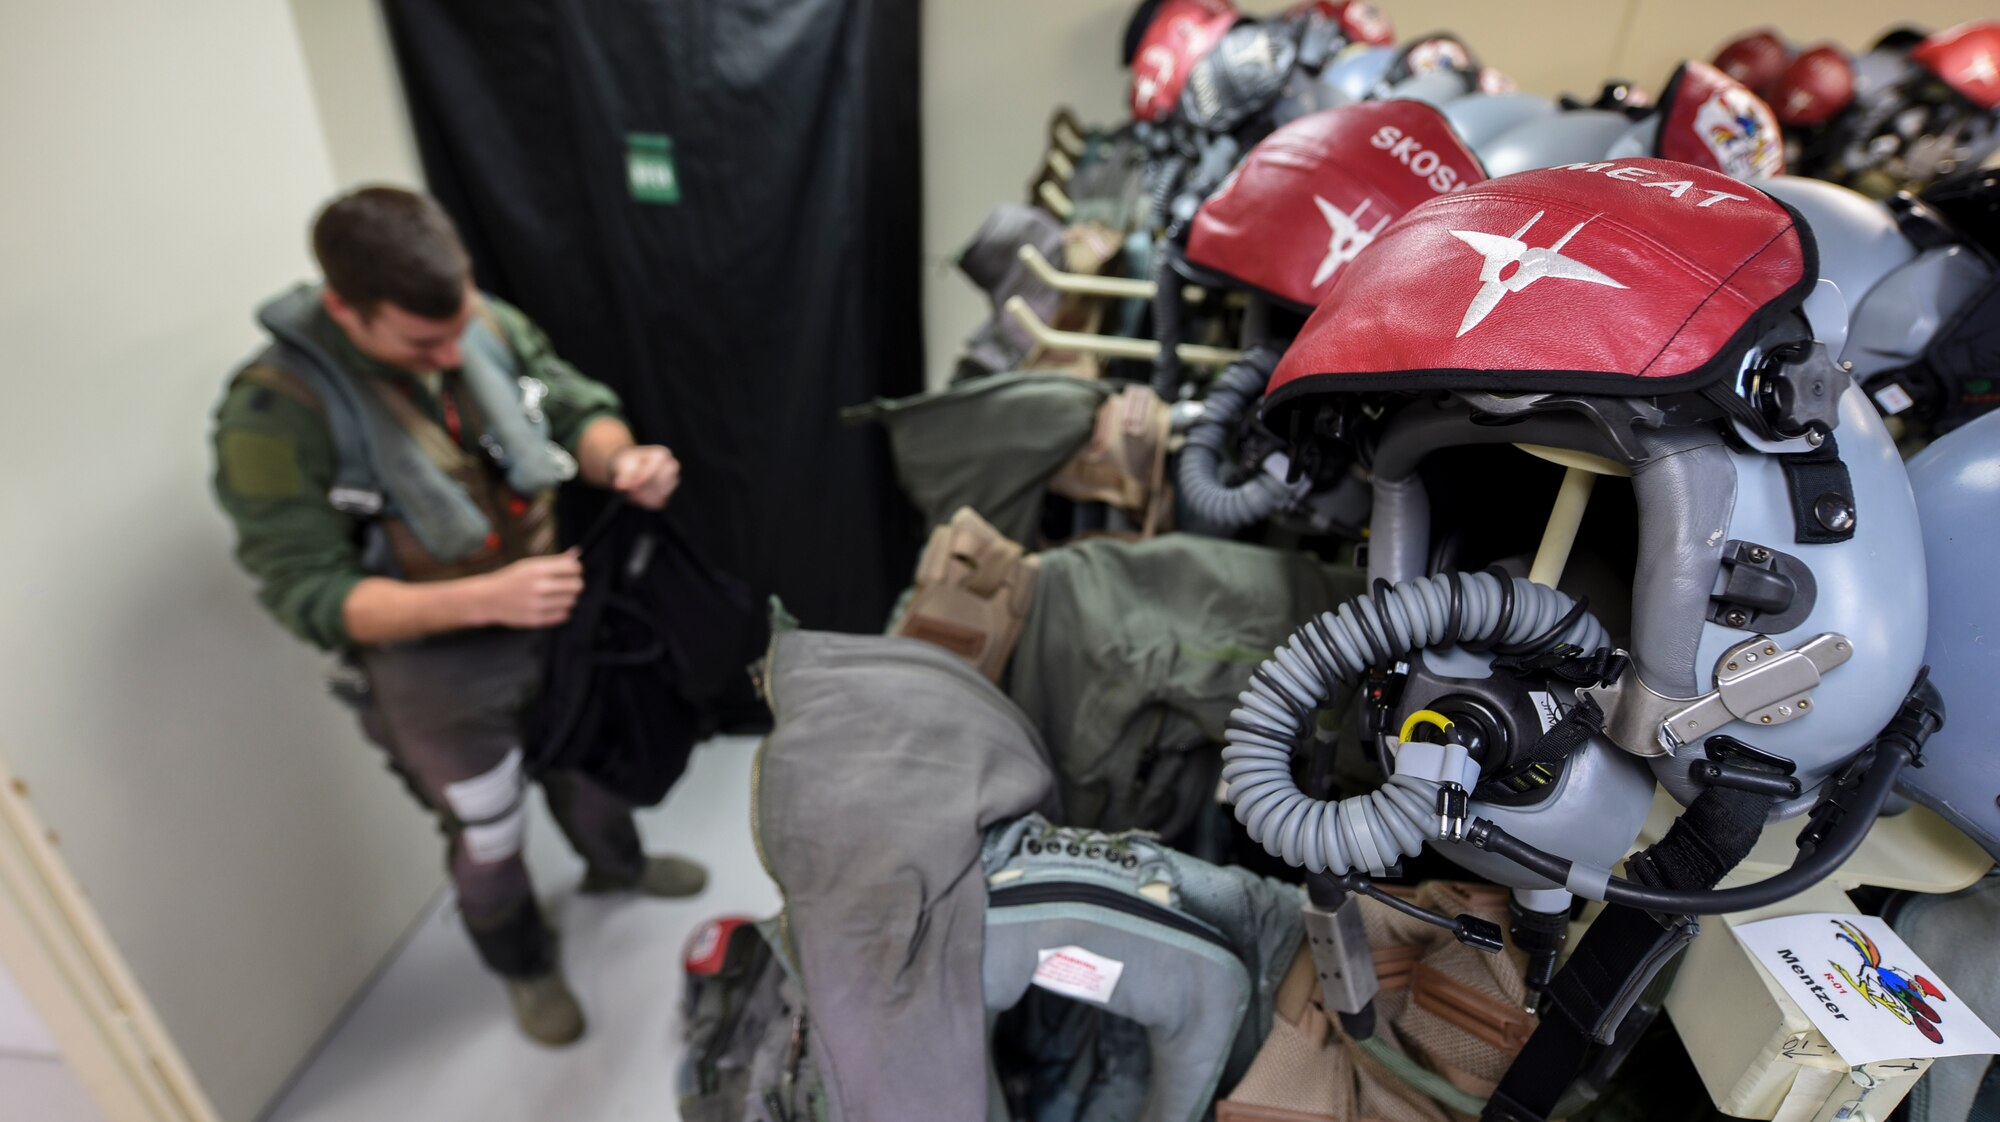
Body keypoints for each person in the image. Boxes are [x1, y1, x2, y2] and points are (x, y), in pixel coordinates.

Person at [210, 186, 706, 1046]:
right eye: (420, 342)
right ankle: (524, 963)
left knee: (592, 763)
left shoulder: (483, 323)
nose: (448, 354)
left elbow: (571, 401)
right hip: (433, 663)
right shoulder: (277, 413)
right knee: (488, 829)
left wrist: (620, 460)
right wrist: (482, 597)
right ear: (344, 309)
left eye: (458, 327)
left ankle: (616, 868)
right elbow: (308, 593)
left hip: (553, 621)